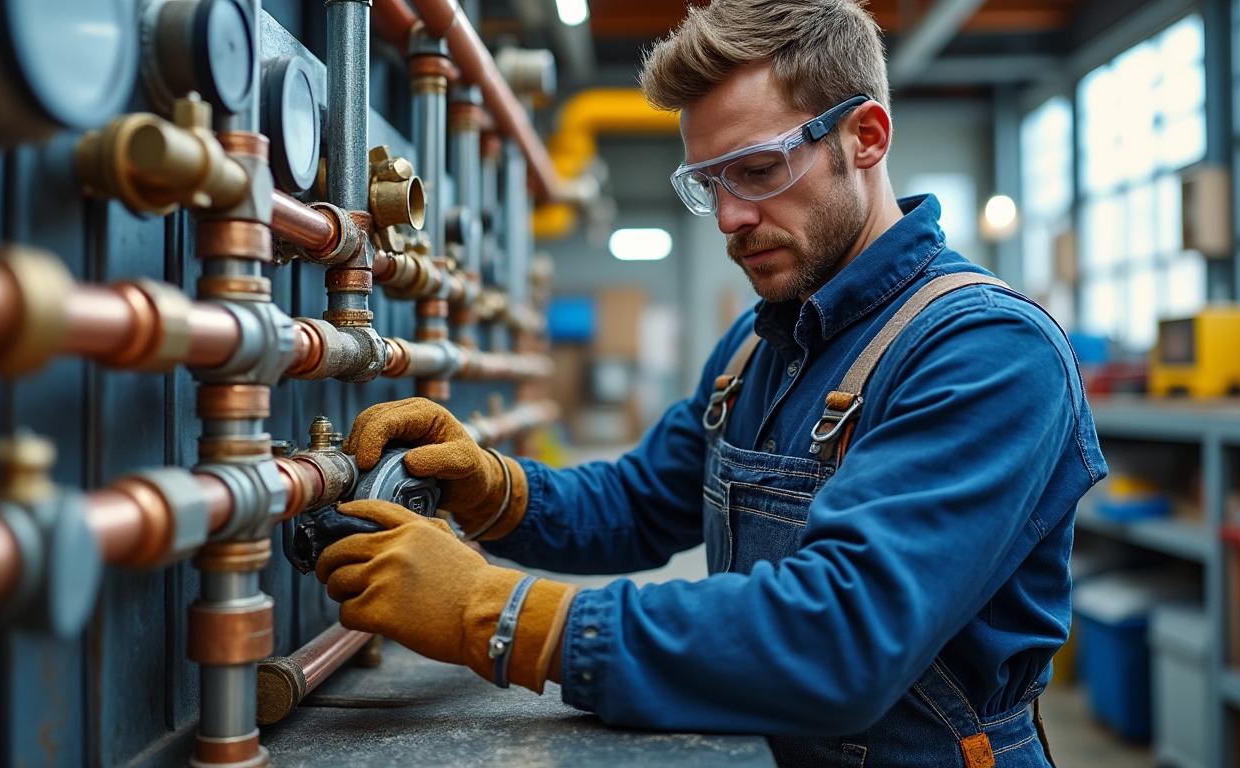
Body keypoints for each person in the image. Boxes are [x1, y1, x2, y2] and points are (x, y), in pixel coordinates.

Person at [315, 0, 1107, 765]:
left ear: (865, 138)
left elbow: (839, 640)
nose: (729, 217)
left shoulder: (988, 352)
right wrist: (494, 490)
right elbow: (640, 503)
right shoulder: (763, 341)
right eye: (709, 183)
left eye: (758, 171)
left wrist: (499, 614)